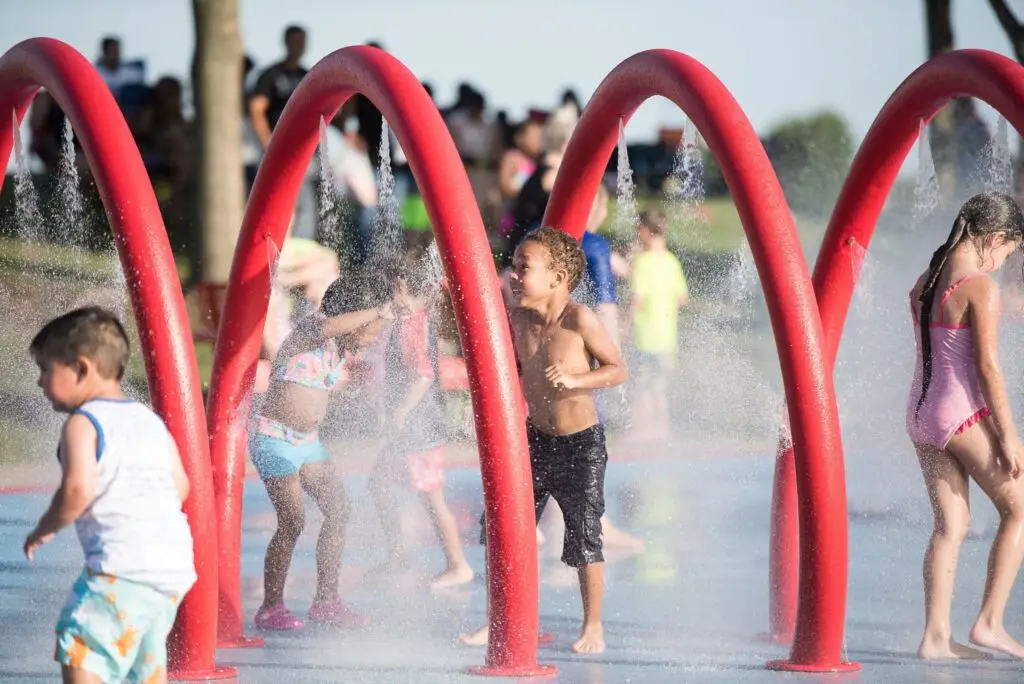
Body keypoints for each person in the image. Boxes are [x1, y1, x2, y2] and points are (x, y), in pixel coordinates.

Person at [461, 227, 628, 654]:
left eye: (523, 268)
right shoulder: (517, 320)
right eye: (513, 266)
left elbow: (616, 369)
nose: (513, 275)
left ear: (556, 278)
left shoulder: (579, 319)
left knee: (584, 538)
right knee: (499, 527)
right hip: (534, 441)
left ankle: (593, 625)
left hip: (581, 445)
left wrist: (577, 378)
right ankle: (500, 616)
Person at [24, 307, 195, 683]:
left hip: (120, 572)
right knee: (140, 667)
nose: (40, 382)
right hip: (171, 574)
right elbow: (181, 487)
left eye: (46, 369)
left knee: (82, 645)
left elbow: (77, 489)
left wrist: (46, 527)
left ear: (81, 369)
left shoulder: (83, 423)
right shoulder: (150, 421)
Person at [906, 191, 1024, 660]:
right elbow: (988, 369)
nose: (1001, 265)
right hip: (960, 414)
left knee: (950, 526)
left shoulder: (925, 280)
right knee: (1020, 509)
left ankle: (936, 637)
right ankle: (991, 623)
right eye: (1007, 255)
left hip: (920, 411)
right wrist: (1009, 436)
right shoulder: (979, 286)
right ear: (994, 239)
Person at [250, 275, 395, 631]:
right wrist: (377, 310)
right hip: (274, 438)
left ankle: (326, 601)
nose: (375, 337)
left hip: (308, 442)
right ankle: (270, 607)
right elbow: (329, 324)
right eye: (371, 328)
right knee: (293, 520)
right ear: (355, 316)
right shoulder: (310, 332)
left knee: (339, 510)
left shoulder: (338, 350)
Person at [367, 266, 474, 590]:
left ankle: (458, 565)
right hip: (411, 430)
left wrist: (399, 411)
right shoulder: (406, 323)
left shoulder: (413, 324)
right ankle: (398, 554)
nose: (386, 302)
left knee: (431, 497)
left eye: (391, 293)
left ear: (403, 288)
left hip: (421, 428)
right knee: (378, 483)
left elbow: (425, 374)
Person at [249, 26, 317, 241]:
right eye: (293, 41)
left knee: (303, 199)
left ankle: (297, 244)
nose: (297, 46)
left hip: (302, 150)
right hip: (277, 149)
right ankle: (285, 243)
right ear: (285, 42)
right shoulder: (272, 75)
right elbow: (256, 108)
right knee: (281, 201)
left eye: (301, 41)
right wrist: (268, 143)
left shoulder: (308, 75)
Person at [630, 209, 688, 440]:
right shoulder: (672, 262)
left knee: (642, 385)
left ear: (644, 231)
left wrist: (624, 322)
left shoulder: (642, 262)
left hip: (644, 336)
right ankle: (663, 431)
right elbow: (683, 298)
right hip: (667, 338)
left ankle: (642, 432)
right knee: (660, 388)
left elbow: (637, 299)